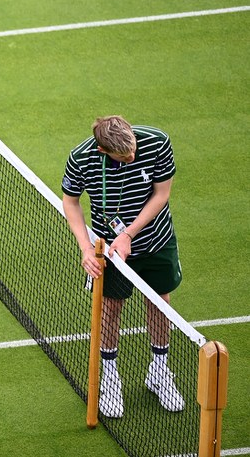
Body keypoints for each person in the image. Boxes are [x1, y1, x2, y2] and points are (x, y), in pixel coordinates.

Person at [61, 115, 185, 419]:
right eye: (124, 156)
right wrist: (86, 248)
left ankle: (159, 370)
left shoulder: (156, 142)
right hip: (109, 251)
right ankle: (110, 376)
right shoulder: (82, 159)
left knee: (159, 302)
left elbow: (162, 194)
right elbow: (71, 201)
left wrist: (128, 234)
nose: (132, 156)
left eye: (133, 149)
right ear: (103, 151)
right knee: (110, 307)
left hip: (155, 241)